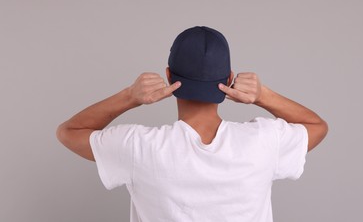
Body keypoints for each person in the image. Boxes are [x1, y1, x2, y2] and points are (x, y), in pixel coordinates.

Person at [57, 26, 328, 222]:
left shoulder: (138, 147)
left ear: (168, 75)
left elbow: (69, 132)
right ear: (230, 77)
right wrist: (263, 95)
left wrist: (130, 96)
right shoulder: (264, 141)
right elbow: (316, 126)